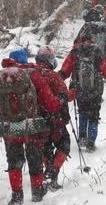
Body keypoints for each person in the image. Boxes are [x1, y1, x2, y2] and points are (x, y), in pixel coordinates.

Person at [0, 48, 64, 205]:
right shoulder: (33, 74)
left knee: (14, 160)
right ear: (25, 60)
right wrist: (59, 103)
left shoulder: (2, 77)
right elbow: (49, 101)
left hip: (10, 127)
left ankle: (17, 196)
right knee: (34, 158)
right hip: (31, 126)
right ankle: (37, 190)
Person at [32, 46, 74, 191]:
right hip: (55, 118)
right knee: (64, 145)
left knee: (45, 148)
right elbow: (65, 96)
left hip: (36, 118)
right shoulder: (53, 76)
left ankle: (48, 174)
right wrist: (73, 93)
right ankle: (51, 173)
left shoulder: (30, 74)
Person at [60, 37, 106, 152]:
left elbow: (65, 71)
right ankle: (91, 143)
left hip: (79, 89)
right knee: (94, 115)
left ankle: (82, 137)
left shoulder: (75, 52)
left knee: (82, 111)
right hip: (95, 90)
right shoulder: (97, 51)